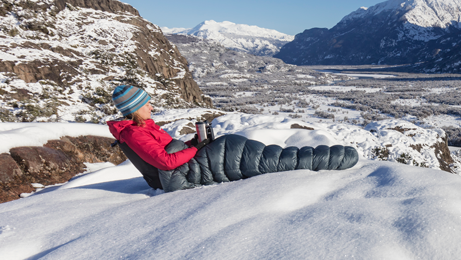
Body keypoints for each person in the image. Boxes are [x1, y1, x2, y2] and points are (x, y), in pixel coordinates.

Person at [107, 85, 359, 192]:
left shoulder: (141, 127)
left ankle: (332, 157)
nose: (151, 106)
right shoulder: (134, 132)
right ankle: (339, 158)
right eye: (146, 103)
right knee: (271, 160)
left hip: (196, 162)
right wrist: (196, 150)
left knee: (264, 155)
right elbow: (166, 162)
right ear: (134, 107)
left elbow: (167, 154)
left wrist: (197, 143)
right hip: (191, 169)